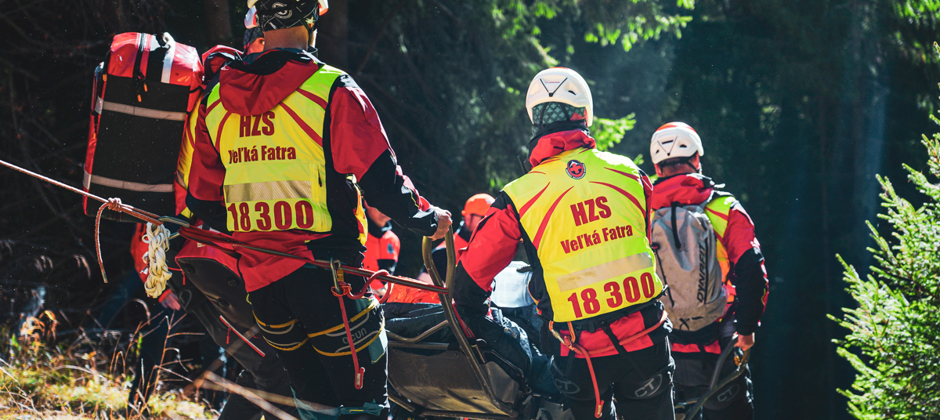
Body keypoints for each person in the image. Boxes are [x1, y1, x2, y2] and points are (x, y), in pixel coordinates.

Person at [185, 1, 452, 419]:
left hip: (263, 289)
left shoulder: (215, 100)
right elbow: (382, 183)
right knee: (364, 409)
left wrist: (254, 230)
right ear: (310, 18)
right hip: (328, 280)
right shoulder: (331, 89)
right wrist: (429, 219)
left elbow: (202, 200)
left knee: (313, 409)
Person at [452, 67, 675, 420]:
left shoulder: (518, 196)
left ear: (535, 121)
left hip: (577, 353)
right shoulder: (630, 174)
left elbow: (468, 281)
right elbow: (639, 240)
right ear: (585, 113)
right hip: (646, 339)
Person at [648, 122, 768, 419]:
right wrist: (747, 329)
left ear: (657, 167)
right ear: (697, 158)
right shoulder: (724, 207)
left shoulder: (641, 214)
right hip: (719, 344)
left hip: (663, 345)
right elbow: (752, 270)